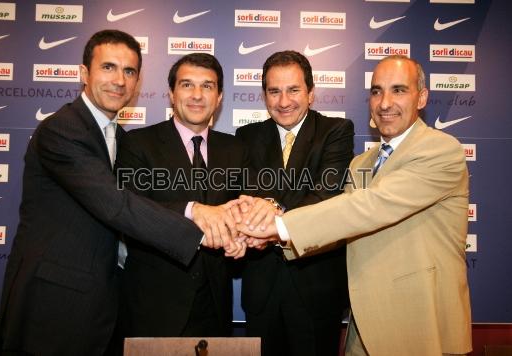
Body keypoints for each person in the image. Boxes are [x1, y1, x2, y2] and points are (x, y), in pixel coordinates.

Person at [0, 30, 235, 356]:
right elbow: (116, 204)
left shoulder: (119, 139)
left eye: (129, 71)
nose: (119, 80)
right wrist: (198, 215)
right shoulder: (62, 130)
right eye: (108, 67)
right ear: (84, 73)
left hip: (102, 303)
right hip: (54, 304)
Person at [241, 55, 472, 355]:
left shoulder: (442, 151)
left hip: (419, 324)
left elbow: (368, 207)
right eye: (376, 91)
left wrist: (278, 226)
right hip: (363, 326)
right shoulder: (362, 162)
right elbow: (339, 228)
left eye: (399, 90)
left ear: (422, 97)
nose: (385, 102)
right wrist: (264, 236)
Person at [115, 53, 248, 338]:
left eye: (208, 86)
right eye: (187, 85)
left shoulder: (235, 149)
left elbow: (239, 209)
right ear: (171, 95)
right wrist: (194, 210)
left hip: (214, 306)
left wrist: (240, 238)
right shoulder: (137, 144)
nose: (197, 95)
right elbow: (132, 211)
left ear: (220, 96)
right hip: (154, 305)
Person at [235, 50, 354, 356]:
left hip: (315, 290)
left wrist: (275, 208)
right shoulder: (245, 136)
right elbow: (247, 196)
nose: (284, 101)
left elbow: (325, 197)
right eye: (274, 91)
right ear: (264, 95)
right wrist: (270, 205)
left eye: (293, 90)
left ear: (311, 93)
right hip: (262, 289)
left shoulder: (335, 132)